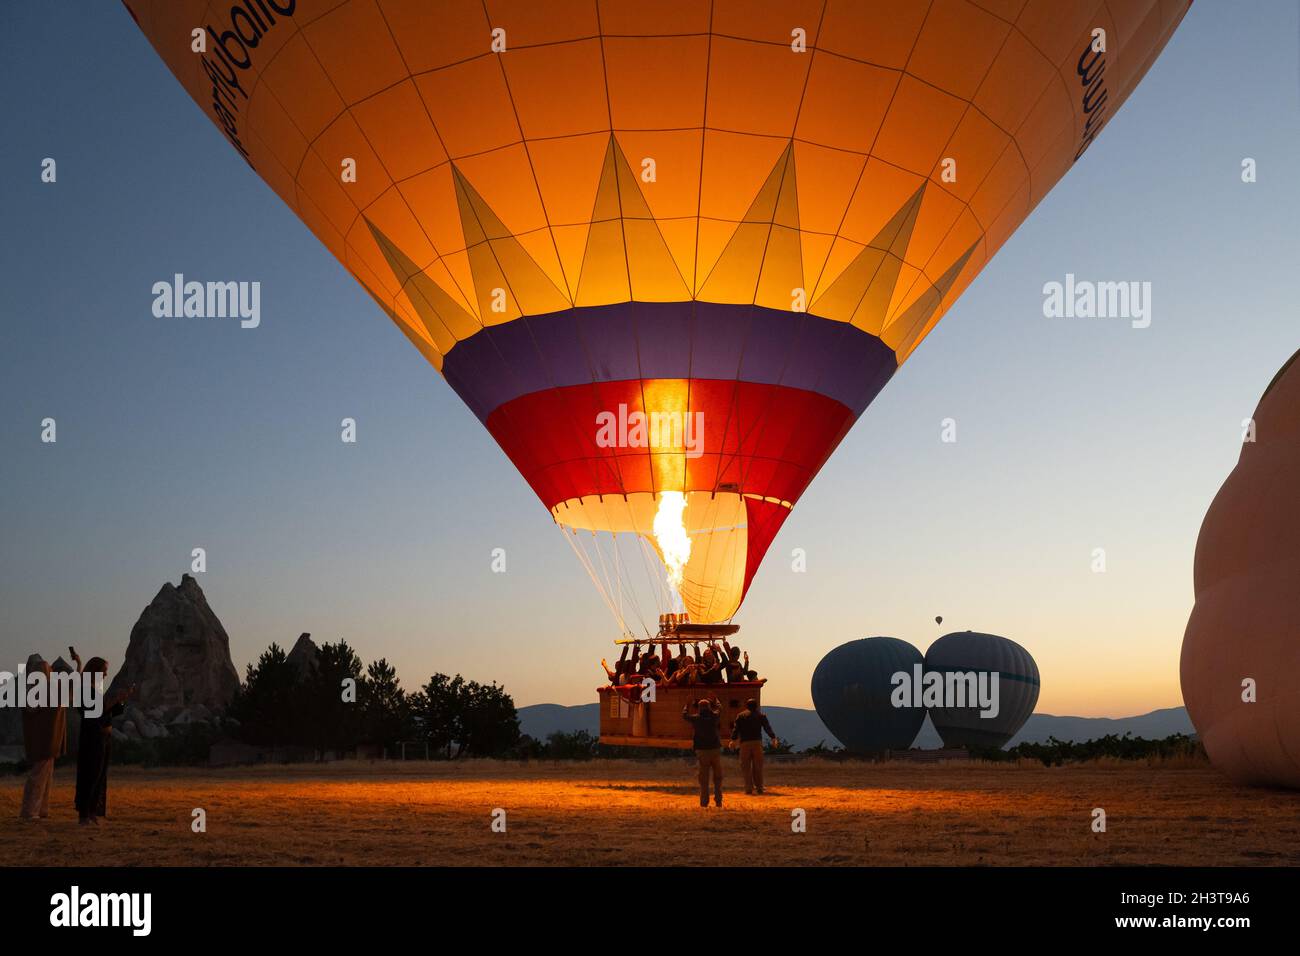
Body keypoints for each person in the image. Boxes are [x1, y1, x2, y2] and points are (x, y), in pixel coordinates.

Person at [71, 651, 133, 826]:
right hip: (92, 738)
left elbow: (107, 711)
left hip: (103, 738)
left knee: (100, 775)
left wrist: (121, 701)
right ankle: (84, 814)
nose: (106, 674)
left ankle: (92, 812)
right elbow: (93, 711)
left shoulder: (94, 689)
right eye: (104, 670)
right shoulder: (84, 690)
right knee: (90, 774)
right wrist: (115, 700)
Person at [19, 654, 70, 821]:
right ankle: (30, 811)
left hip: (48, 739)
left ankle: (41, 809)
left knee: (46, 776)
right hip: (44, 740)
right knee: (39, 776)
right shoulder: (41, 690)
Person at [729, 698, 779, 794]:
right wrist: (773, 737)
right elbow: (767, 727)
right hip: (757, 743)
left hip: (744, 744)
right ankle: (759, 787)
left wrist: (733, 740)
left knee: (746, 767)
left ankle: (748, 788)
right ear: (756, 706)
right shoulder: (761, 716)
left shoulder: (740, 716)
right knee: (758, 766)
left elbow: (736, 729)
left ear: (746, 706)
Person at [682, 696, 724, 808]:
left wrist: (686, 705)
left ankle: (704, 802)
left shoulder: (696, 718)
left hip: (702, 751)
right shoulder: (714, 716)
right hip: (715, 749)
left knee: (704, 779)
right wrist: (717, 701)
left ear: (699, 708)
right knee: (718, 778)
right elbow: (720, 709)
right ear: (709, 707)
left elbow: (684, 716)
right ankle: (718, 801)